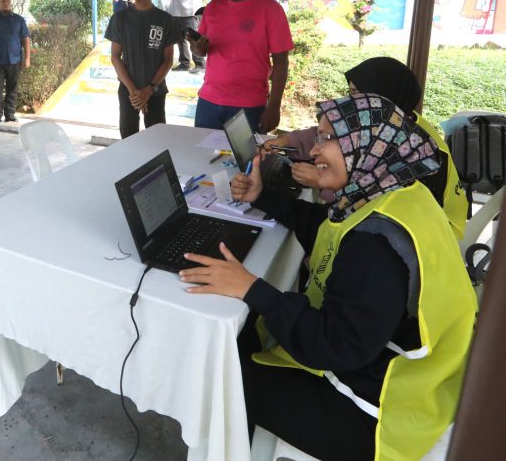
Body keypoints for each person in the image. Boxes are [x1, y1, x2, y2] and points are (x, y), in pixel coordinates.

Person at [181, 94, 477, 461]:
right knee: (244, 333)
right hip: (412, 380)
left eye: (327, 138)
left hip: (376, 413)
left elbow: (335, 347)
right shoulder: (391, 192)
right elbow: (327, 228)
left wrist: (252, 288)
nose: (315, 151)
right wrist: (264, 197)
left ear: (365, 142)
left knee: (218, 373)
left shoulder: (375, 247)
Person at [263, 56, 469, 239]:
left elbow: (370, 202)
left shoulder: (419, 155)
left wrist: (323, 182)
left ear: (380, 98)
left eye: (356, 93)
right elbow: (339, 136)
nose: (350, 102)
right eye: (349, 92)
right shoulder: (397, 123)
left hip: (429, 236)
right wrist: (287, 142)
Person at [189, 0, 292, 132]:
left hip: (249, 105)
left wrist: (274, 106)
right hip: (209, 101)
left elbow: (281, 62)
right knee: (204, 158)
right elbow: (202, 50)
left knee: (247, 160)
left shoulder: (270, 9)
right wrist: (197, 49)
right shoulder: (212, 8)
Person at [104, 0, 181, 138]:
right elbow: (115, 57)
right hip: (128, 91)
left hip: (156, 90)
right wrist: (134, 92)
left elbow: (168, 60)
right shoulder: (120, 19)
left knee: (157, 140)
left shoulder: (166, 20)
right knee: (128, 138)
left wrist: (149, 89)